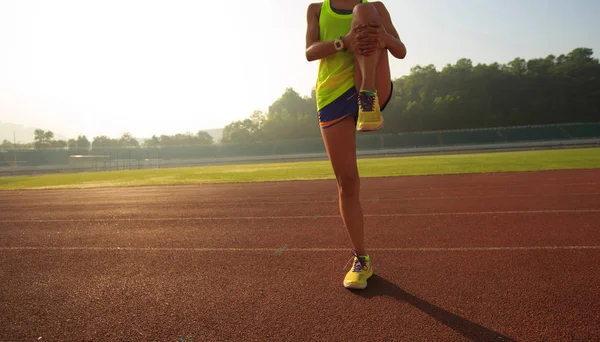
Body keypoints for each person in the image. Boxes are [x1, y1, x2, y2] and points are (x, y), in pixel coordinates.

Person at [305, 0, 406, 289]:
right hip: (331, 95)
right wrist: (344, 42)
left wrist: (381, 37)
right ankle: (361, 259)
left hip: (371, 82)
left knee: (364, 13)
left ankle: (367, 98)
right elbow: (310, 52)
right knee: (348, 184)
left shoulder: (374, 8)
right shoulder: (316, 9)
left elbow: (400, 50)